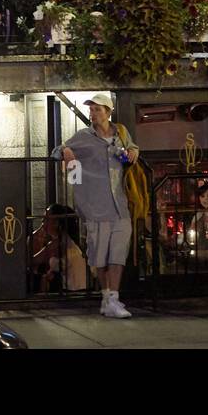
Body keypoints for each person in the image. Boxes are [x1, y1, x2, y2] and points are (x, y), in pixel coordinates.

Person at [54, 92, 138, 319]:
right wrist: (67, 151)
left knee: (118, 253)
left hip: (119, 203)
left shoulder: (120, 132)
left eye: (97, 109)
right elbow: (56, 151)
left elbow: (133, 148)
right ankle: (106, 298)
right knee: (100, 255)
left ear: (108, 112)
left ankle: (113, 298)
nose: (93, 113)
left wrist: (132, 152)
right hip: (95, 204)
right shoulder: (83, 136)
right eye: (91, 110)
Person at [29, 203, 87, 293]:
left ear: (56, 223)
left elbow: (32, 261)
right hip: (75, 289)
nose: (42, 223)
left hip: (71, 292)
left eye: (45, 220)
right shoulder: (65, 240)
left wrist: (34, 237)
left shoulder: (58, 243)